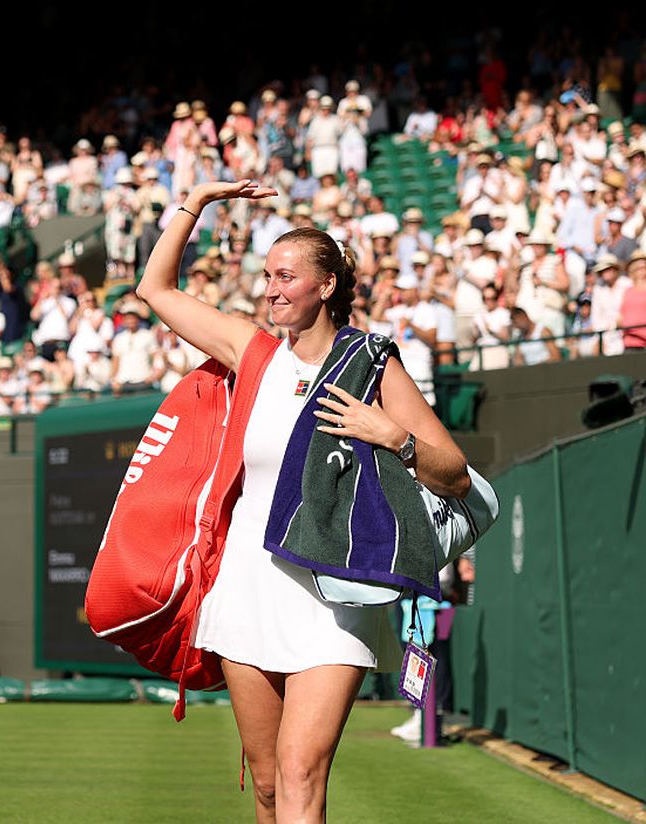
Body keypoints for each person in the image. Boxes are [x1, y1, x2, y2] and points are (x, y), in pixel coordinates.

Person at [135, 178, 470, 822]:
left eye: (286, 276)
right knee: (265, 784)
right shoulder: (254, 352)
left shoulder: (373, 364)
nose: (271, 290)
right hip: (247, 587)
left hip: (334, 599)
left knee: (299, 772)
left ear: (325, 287)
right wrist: (198, 201)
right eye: (266, 276)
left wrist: (392, 435)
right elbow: (156, 290)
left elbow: (454, 474)